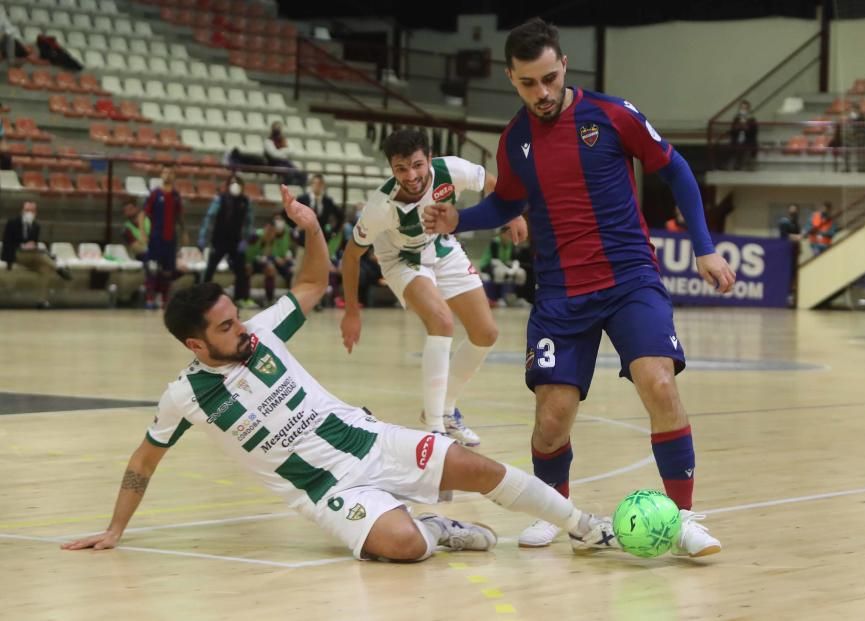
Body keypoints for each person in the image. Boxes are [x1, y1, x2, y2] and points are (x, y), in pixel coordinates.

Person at [60, 185, 616, 562]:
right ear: (196, 343)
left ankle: (587, 526)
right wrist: (115, 530)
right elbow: (143, 460)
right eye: (227, 327)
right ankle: (437, 530)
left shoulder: (262, 334)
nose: (242, 329)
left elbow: (309, 286)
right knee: (402, 549)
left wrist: (308, 228)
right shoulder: (184, 397)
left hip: (366, 439)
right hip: (325, 490)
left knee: (475, 466)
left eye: (237, 316)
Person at [423, 18, 736, 557]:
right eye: (528, 84)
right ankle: (562, 516)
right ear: (511, 79)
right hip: (562, 292)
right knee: (551, 421)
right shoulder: (515, 140)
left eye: (549, 78)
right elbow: (507, 203)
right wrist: (461, 221)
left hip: (630, 279)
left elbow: (677, 170)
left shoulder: (613, 115)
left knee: (658, 384)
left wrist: (705, 246)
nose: (541, 93)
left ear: (564, 65)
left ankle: (681, 517)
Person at [340, 129, 527, 447]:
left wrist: (514, 215)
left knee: (486, 333)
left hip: (440, 246)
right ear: (391, 169)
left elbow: (493, 183)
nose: (411, 176)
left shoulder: (451, 170)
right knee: (441, 322)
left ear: (429, 158)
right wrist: (351, 313)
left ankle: (446, 409)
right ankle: (434, 430)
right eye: (401, 168)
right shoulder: (380, 207)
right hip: (401, 259)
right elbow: (350, 256)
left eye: (417, 165)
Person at [198, 174, 254, 307]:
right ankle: (202, 297)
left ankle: (242, 298)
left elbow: (248, 223)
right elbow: (209, 219)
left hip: (236, 242)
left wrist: (245, 240)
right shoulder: (220, 199)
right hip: (219, 240)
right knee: (210, 268)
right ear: (228, 185)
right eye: (233, 183)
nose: (235, 186)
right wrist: (203, 237)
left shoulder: (245, 201)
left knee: (241, 271)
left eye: (238, 183)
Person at [2, 201, 72, 299]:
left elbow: (34, 242)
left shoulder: (36, 226)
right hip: (16, 254)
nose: (29, 213)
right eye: (27, 210)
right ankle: (58, 268)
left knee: (45, 269)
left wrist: (31, 245)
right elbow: (7, 242)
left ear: (35, 212)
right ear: (22, 211)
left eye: (32, 210)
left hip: (32, 255)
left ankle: (41, 300)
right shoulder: (12, 223)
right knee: (40, 254)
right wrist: (22, 246)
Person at [143, 167, 186, 309]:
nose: (168, 175)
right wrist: (143, 232)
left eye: (171, 173)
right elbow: (143, 214)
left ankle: (164, 298)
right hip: (156, 238)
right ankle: (150, 298)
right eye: (165, 172)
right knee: (153, 268)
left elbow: (179, 216)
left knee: (167, 271)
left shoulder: (175, 195)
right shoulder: (155, 194)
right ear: (161, 175)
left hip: (170, 239)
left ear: (174, 177)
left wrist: (184, 232)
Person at [246, 212, 294, 305]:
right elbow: (245, 252)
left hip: (261, 260)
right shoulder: (255, 236)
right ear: (267, 227)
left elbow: (266, 255)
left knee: (272, 269)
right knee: (248, 268)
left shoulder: (276, 237)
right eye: (271, 231)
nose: (272, 234)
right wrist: (247, 262)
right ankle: (243, 299)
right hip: (247, 261)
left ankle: (271, 300)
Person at [479, 226, 527, 307]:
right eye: (507, 234)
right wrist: (507, 270)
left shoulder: (512, 243)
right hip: (488, 265)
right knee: (499, 272)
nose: (509, 236)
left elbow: (514, 260)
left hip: (505, 265)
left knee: (521, 273)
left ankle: (519, 297)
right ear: (501, 234)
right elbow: (495, 261)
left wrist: (514, 269)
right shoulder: (495, 242)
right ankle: (500, 298)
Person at [264, 121, 306, 186]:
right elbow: (274, 155)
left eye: (279, 128)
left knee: (303, 174)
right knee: (289, 174)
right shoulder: (268, 141)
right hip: (274, 164)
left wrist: (281, 151)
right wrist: (285, 150)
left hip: (286, 163)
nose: (278, 130)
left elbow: (292, 151)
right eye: (276, 128)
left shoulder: (285, 140)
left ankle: (297, 189)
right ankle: (284, 190)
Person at [728, 99, 758, 170]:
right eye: (742, 108)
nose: (743, 110)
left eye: (745, 108)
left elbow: (754, 132)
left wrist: (746, 128)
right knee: (736, 147)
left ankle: (747, 166)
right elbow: (732, 131)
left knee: (747, 148)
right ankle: (736, 166)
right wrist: (737, 127)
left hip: (748, 140)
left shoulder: (752, 120)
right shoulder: (736, 119)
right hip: (737, 140)